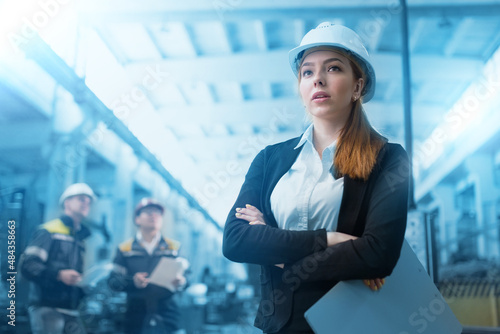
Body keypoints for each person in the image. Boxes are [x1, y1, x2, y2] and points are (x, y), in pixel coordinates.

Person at [223, 22, 410, 334]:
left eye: (333, 68)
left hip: (356, 324)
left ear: (357, 87)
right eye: (307, 72)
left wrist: (281, 257)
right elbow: (236, 240)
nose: (318, 79)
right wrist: (330, 240)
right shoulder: (270, 159)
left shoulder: (387, 158)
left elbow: (378, 254)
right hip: (280, 325)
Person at [20, 182, 97, 334]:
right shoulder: (49, 231)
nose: (86, 203)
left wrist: (83, 287)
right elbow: (28, 265)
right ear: (67, 202)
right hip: (47, 307)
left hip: (71, 308)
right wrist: (59, 275)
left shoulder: (79, 239)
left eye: (88, 201)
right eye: (81, 199)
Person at [108, 198, 187, 334]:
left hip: (167, 316)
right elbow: (113, 281)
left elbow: (187, 275)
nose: (153, 215)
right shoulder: (125, 249)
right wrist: (133, 281)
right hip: (135, 317)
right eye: (148, 212)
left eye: (157, 212)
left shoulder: (174, 248)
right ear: (137, 219)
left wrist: (182, 281)